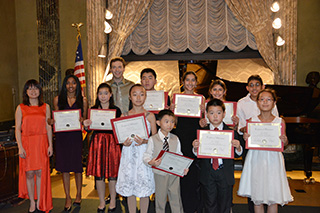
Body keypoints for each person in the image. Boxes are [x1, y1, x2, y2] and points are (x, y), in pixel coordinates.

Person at [237, 89, 293, 213]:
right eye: (262, 99)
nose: (265, 102)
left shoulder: (280, 121)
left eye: (269, 99)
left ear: (274, 103)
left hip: (273, 160)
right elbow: (247, 139)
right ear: (257, 103)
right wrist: (246, 138)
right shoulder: (252, 121)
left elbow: (284, 143)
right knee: (258, 197)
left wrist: (285, 140)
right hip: (256, 159)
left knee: (273, 197)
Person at [236, 75, 279, 212]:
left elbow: (276, 125)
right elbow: (240, 127)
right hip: (252, 147)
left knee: (271, 183)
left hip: (270, 150)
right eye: (251, 85)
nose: (254, 88)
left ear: (262, 86)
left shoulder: (271, 103)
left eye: (257, 85)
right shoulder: (241, 103)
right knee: (254, 182)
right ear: (247, 87)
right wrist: (249, 127)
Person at [192, 99, 242, 213]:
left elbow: (238, 153)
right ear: (207, 115)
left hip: (224, 173)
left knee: (225, 205)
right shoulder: (202, 132)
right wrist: (195, 148)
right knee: (209, 204)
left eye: (219, 113)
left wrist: (238, 146)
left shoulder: (231, 132)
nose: (215, 116)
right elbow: (197, 155)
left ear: (224, 114)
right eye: (211, 113)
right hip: (208, 172)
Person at [115, 84, 157, 213]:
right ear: (130, 97)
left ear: (145, 96)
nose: (138, 97)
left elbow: (156, 139)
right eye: (135, 94)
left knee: (144, 185)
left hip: (144, 153)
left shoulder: (150, 116)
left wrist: (145, 141)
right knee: (130, 185)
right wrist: (124, 143)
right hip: (128, 154)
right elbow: (120, 138)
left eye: (141, 94)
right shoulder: (124, 115)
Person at [15, 79, 53, 213]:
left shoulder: (46, 107)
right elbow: (17, 128)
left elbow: (48, 127)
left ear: (39, 90)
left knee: (40, 173)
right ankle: (32, 201)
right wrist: (20, 146)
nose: (33, 91)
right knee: (29, 173)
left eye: (35, 88)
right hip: (27, 143)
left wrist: (50, 145)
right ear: (26, 91)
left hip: (41, 142)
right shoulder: (20, 107)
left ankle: (40, 202)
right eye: (30, 88)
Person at [83, 83, 121, 212]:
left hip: (112, 143)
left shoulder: (117, 110)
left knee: (112, 174)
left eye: (106, 93)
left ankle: (113, 202)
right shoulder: (93, 109)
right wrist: (86, 125)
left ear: (110, 95)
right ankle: (101, 202)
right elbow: (88, 130)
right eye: (100, 93)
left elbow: (119, 129)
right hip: (97, 142)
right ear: (97, 95)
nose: (103, 96)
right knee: (98, 174)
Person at [52, 75, 88, 211]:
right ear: (64, 85)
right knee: (65, 168)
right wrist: (51, 121)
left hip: (76, 136)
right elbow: (54, 117)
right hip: (62, 137)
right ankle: (67, 196)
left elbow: (84, 119)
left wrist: (82, 120)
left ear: (77, 85)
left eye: (73, 83)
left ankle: (79, 194)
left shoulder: (83, 100)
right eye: (68, 83)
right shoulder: (57, 99)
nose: (71, 85)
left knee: (77, 167)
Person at [170, 71, 205, 213]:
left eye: (193, 80)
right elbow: (174, 123)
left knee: (195, 175)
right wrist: (171, 111)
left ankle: (195, 207)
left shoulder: (201, 99)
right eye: (187, 80)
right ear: (183, 82)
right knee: (182, 174)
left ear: (196, 83)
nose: (190, 83)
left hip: (196, 139)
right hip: (181, 138)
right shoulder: (176, 99)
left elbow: (203, 123)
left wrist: (203, 113)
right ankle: (184, 207)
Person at [143, 109, 187, 213]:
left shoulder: (175, 138)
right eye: (166, 121)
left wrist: (184, 167)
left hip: (174, 174)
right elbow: (146, 156)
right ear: (158, 123)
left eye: (172, 122)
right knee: (160, 199)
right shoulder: (153, 139)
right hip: (160, 174)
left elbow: (179, 155)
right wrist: (151, 162)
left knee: (176, 198)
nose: (170, 125)